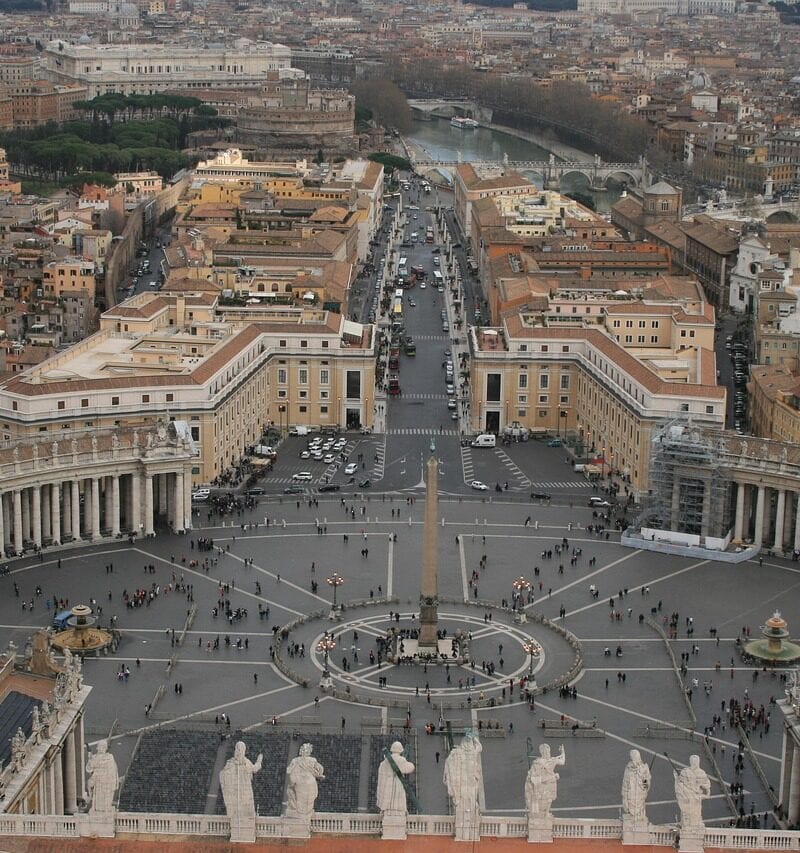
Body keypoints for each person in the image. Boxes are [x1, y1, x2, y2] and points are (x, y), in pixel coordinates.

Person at [444, 730, 485, 840]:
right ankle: (466, 828)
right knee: (467, 801)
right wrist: (474, 738)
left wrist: (473, 738)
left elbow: (479, 747)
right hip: (465, 782)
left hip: (468, 782)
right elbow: (479, 747)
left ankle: (467, 827)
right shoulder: (463, 752)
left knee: (468, 802)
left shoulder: (465, 752)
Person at [219, 741, 263, 823]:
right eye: (238, 749)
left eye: (240, 749)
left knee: (246, 806)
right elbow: (223, 774)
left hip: (245, 788)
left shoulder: (246, 762)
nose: (239, 751)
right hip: (236, 789)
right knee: (238, 806)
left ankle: (245, 822)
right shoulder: (231, 763)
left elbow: (254, 769)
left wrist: (259, 761)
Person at [525, 743, 566, 821]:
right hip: (551, 781)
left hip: (542, 782)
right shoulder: (552, 760)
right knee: (549, 798)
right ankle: (546, 813)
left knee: (545, 797)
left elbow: (533, 774)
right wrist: (563, 752)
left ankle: (542, 813)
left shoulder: (537, 762)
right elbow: (563, 761)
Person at [286, 743, 325, 820]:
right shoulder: (296, 760)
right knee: (300, 800)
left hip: (308, 783)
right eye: (302, 748)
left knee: (308, 799)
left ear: (308, 751)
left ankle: (304, 814)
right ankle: (301, 814)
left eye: (304, 749)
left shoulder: (312, 760)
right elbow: (288, 770)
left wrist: (319, 773)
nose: (302, 750)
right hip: (301, 783)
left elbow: (319, 769)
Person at [674, 755, 710, 834]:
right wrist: (677, 778)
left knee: (692, 814)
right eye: (693, 761)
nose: (694, 763)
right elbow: (680, 782)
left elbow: (707, 786)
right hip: (689, 797)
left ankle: (691, 825)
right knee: (688, 813)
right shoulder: (686, 771)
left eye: (695, 761)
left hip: (695, 798)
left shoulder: (700, 773)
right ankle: (688, 824)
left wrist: (700, 787)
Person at [376, 741, 415, 815]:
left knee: (389, 797)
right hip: (398, 783)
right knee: (398, 797)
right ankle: (399, 811)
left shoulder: (384, 762)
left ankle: (387, 809)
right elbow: (410, 768)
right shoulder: (401, 760)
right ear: (400, 750)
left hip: (388, 784)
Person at [86, 740, 120, 813]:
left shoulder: (110, 757)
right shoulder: (94, 757)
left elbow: (112, 770)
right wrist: (90, 759)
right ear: (97, 747)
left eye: (103, 747)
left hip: (106, 780)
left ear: (105, 748)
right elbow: (89, 769)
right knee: (95, 793)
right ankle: (95, 808)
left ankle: (106, 808)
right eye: (100, 746)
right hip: (97, 780)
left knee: (105, 796)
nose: (101, 748)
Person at [621, 749, 651, 823]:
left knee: (639, 811)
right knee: (630, 808)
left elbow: (645, 785)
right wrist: (624, 794)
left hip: (639, 794)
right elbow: (625, 782)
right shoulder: (628, 768)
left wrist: (645, 779)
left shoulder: (643, 769)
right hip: (631, 793)